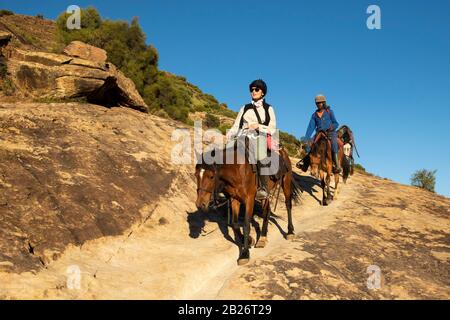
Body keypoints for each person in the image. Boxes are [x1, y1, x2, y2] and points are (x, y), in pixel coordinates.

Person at [226, 79, 276, 200]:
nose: (253, 92)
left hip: (259, 137)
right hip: (243, 136)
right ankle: (224, 186)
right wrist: (229, 135)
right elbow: (236, 125)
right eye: (252, 90)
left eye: (256, 89)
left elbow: (272, 128)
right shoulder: (244, 108)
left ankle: (263, 188)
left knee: (260, 155)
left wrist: (258, 126)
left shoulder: (268, 108)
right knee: (226, 154)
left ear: (262, 92)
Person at [299, 94, 342, 174]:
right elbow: (310, 128)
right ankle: (305, 164)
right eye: (317, 103)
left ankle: (336, 165)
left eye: (320, 102)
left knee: (334, 144)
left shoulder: (329, 112)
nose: (318, 104)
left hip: (330, 133)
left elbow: (336, 123)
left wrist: (331, 128)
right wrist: (306, 139)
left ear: (324, 103)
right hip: (319, 134)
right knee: (310, 146)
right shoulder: (314, 115)